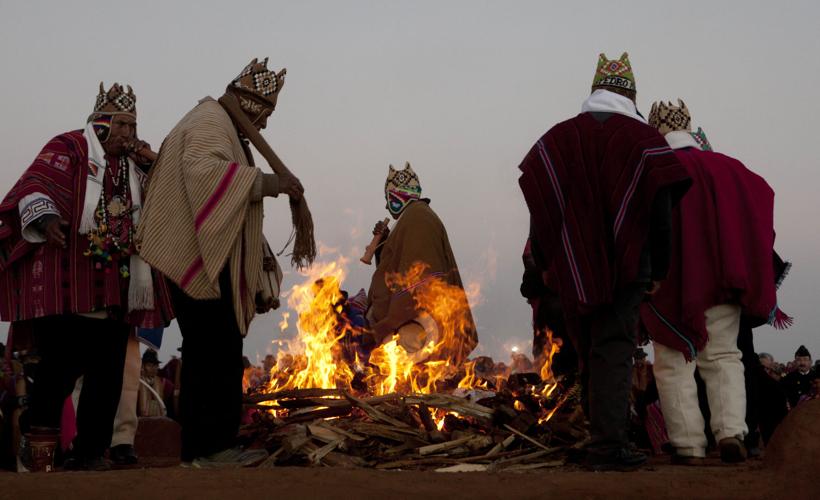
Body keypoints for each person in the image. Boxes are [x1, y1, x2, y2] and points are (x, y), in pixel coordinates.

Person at [517, 53, 690, 470]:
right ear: (631, 96)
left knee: (588, 347)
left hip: (569, 267)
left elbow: (541, 207)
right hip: (628, 265)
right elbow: (661, 212)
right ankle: (609, 445)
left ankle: (599, 436)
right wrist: (660, 269)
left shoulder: (558, 139)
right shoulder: (645, 140)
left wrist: (543, 262)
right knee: (613, 348)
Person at [136, 58, 308, 468]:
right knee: (214, 351)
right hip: (197, 259)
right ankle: (210, 448)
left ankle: (207, 447)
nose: (264, 124)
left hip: (208, 259)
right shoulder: (210, 121)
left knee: (215, 349)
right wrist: (272, 183)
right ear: (250, 105)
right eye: (264, 114)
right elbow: (205, 175)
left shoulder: (222, 123)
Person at [0, 83, 173, 471]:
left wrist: (151, 160)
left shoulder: (135, 164)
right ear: (100, 125)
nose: (128, 133)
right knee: (58, 372)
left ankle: (90, 452)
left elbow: (167, 193)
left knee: (108, 374)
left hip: (116, 285)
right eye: (121, 125)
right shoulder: (70, 147)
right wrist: (47, 219)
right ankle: (38, 447)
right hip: (67, 282)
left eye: (133, 125)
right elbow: (35, 184)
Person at [641, 100, 782, 464]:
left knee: (674, 361)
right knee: (724, 356)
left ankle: (688, 443)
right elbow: (763, 196)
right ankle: (731, 432)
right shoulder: (728, 168)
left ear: (656, 130)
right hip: (722, 279)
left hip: (671, 284)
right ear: (689, 126)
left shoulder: (654, 169)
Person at [365, 163, 478, 365]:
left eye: (388, 199)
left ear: (397, 196)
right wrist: (384, 245)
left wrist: (383, 327)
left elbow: (420, 285)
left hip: (421, 328)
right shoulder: (412, 218)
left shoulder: (418, 218)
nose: (386, 206)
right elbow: (396, 271)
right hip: (416, 325)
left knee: (405, 373)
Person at [137, 349, 167, 417]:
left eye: (155, 365)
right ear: (143, 366)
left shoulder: (161, 381)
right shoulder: (138, 381)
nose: (153, 368)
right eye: (149, 365)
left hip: (158, 418)